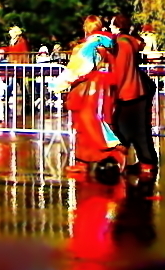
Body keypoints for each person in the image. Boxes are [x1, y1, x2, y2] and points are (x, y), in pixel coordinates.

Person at [51, 16, 124, 180]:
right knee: (97, 123)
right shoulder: (109, 45)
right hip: (105, 89)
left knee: (86, 125)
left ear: (86, 28)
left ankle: (109, 153)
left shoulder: (86, 47)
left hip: (88, 90)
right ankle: (85, 160)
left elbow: (76, 70)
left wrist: (57, 85)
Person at [107, 15, 158, 179]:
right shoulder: (131, 42)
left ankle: (129, 161)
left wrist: (113, 92)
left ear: (116, 27)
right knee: (139, 129)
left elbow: (120, 71)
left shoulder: (121, 45)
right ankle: (146, 161)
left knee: (123, 130)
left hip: (126, 92)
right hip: (138, 91)